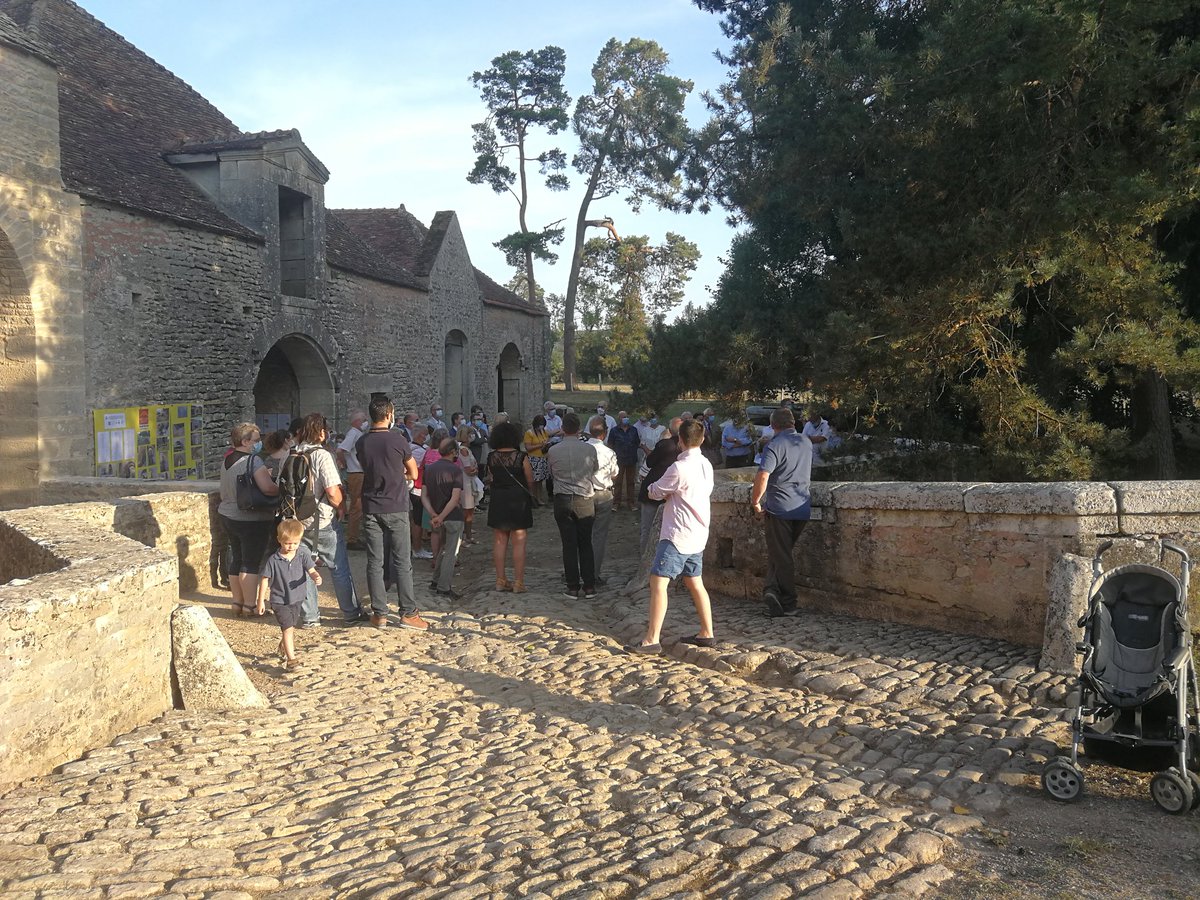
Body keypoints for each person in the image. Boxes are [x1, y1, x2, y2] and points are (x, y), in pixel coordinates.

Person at [627, 419, 716, 654]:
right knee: (695, 582)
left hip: (678, 533)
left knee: (658, 582)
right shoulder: (706, 464)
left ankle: (651, 639)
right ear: (702, 439)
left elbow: (655, 491)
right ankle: (707, 631)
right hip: (698, 531)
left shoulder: (679, 468)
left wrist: (656, 490)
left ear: (680, 441)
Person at [356, 397, 428, 631]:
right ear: (389, 415)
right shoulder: (398, 440)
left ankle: (380, 613)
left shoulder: (363, 442)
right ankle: (408, 612)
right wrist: (401, 476)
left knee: (375, 562)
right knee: (402, 561)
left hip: (371, 505)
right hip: (395, 505)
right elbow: (413, 472)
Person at [293, 413, 361, 628]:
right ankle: (350, 613)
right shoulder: (322, 456)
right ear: (321, 432)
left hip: (297, 521)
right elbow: (332, 490)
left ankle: (310, 617)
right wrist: (341, 507)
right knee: (338, 567)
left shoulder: (292, 454)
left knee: (305, 569)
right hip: (321, 520)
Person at [751, 408, 815, 618]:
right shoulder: (806, 442)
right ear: (793, 423)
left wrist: (756, 502)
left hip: (780, 506)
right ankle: (771, 591)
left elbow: (763, 475)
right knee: (780, 553)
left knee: (782, 555)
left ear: (773, 425)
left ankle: (788, 602)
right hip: (802, 505)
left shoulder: (774, 445)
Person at [216, 422, 280, 616]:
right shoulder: (253, 461)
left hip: (227, 513)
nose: (259, 443)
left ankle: (237, 602)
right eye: (256, 440)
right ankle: (250, 605)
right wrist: (282, 488)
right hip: (250, 518)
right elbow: (268, 488)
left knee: (237, 557)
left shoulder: (227, 460)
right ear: (245, 441)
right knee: (251, 561)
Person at [257, 519, 320, 671]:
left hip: (297, 598)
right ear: (279, 540)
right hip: (279, 600)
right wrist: (261, 601)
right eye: (287, 543)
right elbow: (265, 579)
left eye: (295, 543)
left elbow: (311, 569)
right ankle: (291, 660)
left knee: (290, 626)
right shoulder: (273, 560)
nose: (291, 547)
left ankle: (283, 646)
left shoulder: (302, 554)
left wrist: (316, 576)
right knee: (288, 629)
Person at [547, 413, 599, 599]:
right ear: (578, 429)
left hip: (562, 498)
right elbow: (594, 469)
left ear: (562, 428)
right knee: (585, 543)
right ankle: (590, 585)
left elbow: (551, 473)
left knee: (568, 544)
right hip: (584, 497)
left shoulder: (553, 450)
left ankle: (572, 586)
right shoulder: (589, 449)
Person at [485, 421, 535, 593]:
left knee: (499, 540)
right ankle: (519, 582)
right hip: (518, 499)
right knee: (519, 541)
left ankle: (500, 580)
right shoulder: (521, 457)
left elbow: (490, 477)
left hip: (499, 498)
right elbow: (530, 479)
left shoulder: (491, 457)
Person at [423, 437, 466, 599]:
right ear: (453, 451)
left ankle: (435, 580)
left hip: (436, 514)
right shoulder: (455, 470)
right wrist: (441, 516)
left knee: (441, 549)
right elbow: (455, 499)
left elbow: (424, 496)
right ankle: (444, 586)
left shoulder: (430, 469)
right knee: (450, 552)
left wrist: (433, 513)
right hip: (452, 516)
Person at [638, 417, 682, 552]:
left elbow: (650, 461)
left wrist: (662, 441)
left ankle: (645, 556)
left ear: (669, 430)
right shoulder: (684, 448)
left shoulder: (665, 445)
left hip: (654, 489)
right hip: (673, 492)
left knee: (648, 526)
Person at [587, 415, 619, 585]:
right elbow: (614, 474)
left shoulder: (583, 449)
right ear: (604, 434)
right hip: (604, 493)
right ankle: (593, 573)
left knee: (583, 533)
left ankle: (581, 570)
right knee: (599, 536)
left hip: (585, 493)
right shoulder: (609, 452)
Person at [336, 409, 369, 549]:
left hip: (358, 472)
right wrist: (344, 463)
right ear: (357, 422)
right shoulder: (353, 433)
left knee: (358, 506)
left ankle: (354, 536)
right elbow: (340, 450)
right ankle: (352, 538)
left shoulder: (357, 433)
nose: (366, 422)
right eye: (363, 420)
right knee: (357, 506)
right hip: (356, 472)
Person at [408, 424, 433, 560]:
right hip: (417, 489)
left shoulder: (422, 448)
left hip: (421, 487)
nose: (426, 436)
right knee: (417, 520)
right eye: (425, 434)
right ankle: (417, 548)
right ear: (419, 435)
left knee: (419, 519)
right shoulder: (416, 450)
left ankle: (418, 547)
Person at [606, 411, 640, 512]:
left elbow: (637, 443)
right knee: (618, 483)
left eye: (626, 416)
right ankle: (616, 503)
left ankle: (631, 502)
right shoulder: (614, 431)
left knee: (630, 482)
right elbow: (610, 444)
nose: (625, 418)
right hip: (618, 460)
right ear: (619, 419)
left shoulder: (634, 430)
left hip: (631, 459)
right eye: (623, 417)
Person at [455, 425, 480, 545]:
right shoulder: (463, 450)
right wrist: (475, 470)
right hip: (466, 483)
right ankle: (465, 536)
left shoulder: (467, 449)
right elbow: (468, 469)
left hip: (470, 481)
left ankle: (468, 535)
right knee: (467, 511)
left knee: (470, 511)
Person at [523, 414, 551, 505]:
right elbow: (528, 447)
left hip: (543, 458)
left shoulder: (544, 432)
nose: (541, 426)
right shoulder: (529, 433)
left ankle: (539, 497)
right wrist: (540, 445)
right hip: (534, 459)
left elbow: (547, 439)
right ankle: (534, 498)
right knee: (534, 481)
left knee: (540, 481)